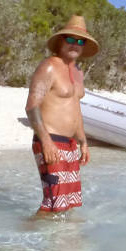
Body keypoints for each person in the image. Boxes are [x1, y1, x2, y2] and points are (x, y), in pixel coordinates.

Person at [25, 15, 99, 215]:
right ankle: (25, 241)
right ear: (60, 41)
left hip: (70, 144)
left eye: (80, 41)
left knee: (69, 203)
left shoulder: (77, 72)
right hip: (50, 141)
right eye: (71, 39)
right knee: (53, 203)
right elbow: (32, 106)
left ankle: (61, 244)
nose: (76, 44)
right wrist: (46, 141)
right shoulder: (49, 66)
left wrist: (83, 141)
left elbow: (75, 108)